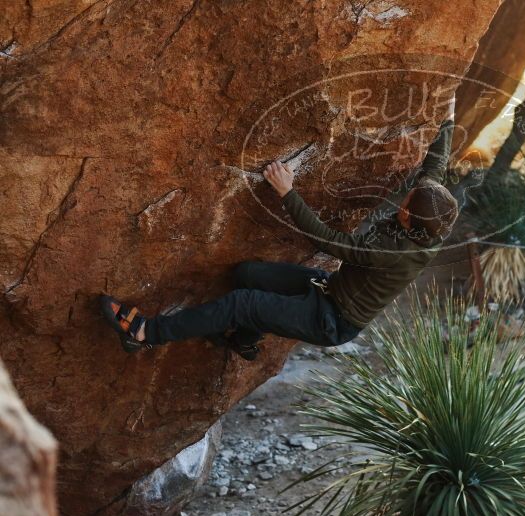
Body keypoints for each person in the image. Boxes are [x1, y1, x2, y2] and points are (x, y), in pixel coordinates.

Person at [100, 101, 458, 360]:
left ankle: (146, 334)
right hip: (327, 290)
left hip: (331, 320)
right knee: (248, 274)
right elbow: (434, 170)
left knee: (243, 302)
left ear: (409, 217)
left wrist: (288, 193)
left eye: (405, 203)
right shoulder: (432, 218)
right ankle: (242, 340)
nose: (403, 200)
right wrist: (449, 118)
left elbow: (330, 242)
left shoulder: (394, 252)